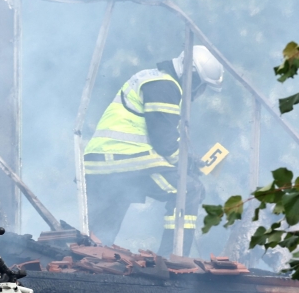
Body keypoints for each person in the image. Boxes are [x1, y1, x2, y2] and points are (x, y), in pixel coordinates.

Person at [83, 45, 224, 256]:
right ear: (192, 76)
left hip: (104, 161)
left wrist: (190, 161)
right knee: (188, 189)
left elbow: (161, 137)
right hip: (126, 160)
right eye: (202, 86)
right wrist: (189, 166)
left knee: (110, 214)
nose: (199, 94)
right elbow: (165, 144)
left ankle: (89, 256)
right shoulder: (165, 87)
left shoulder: (154, 79)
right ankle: (173, 259)